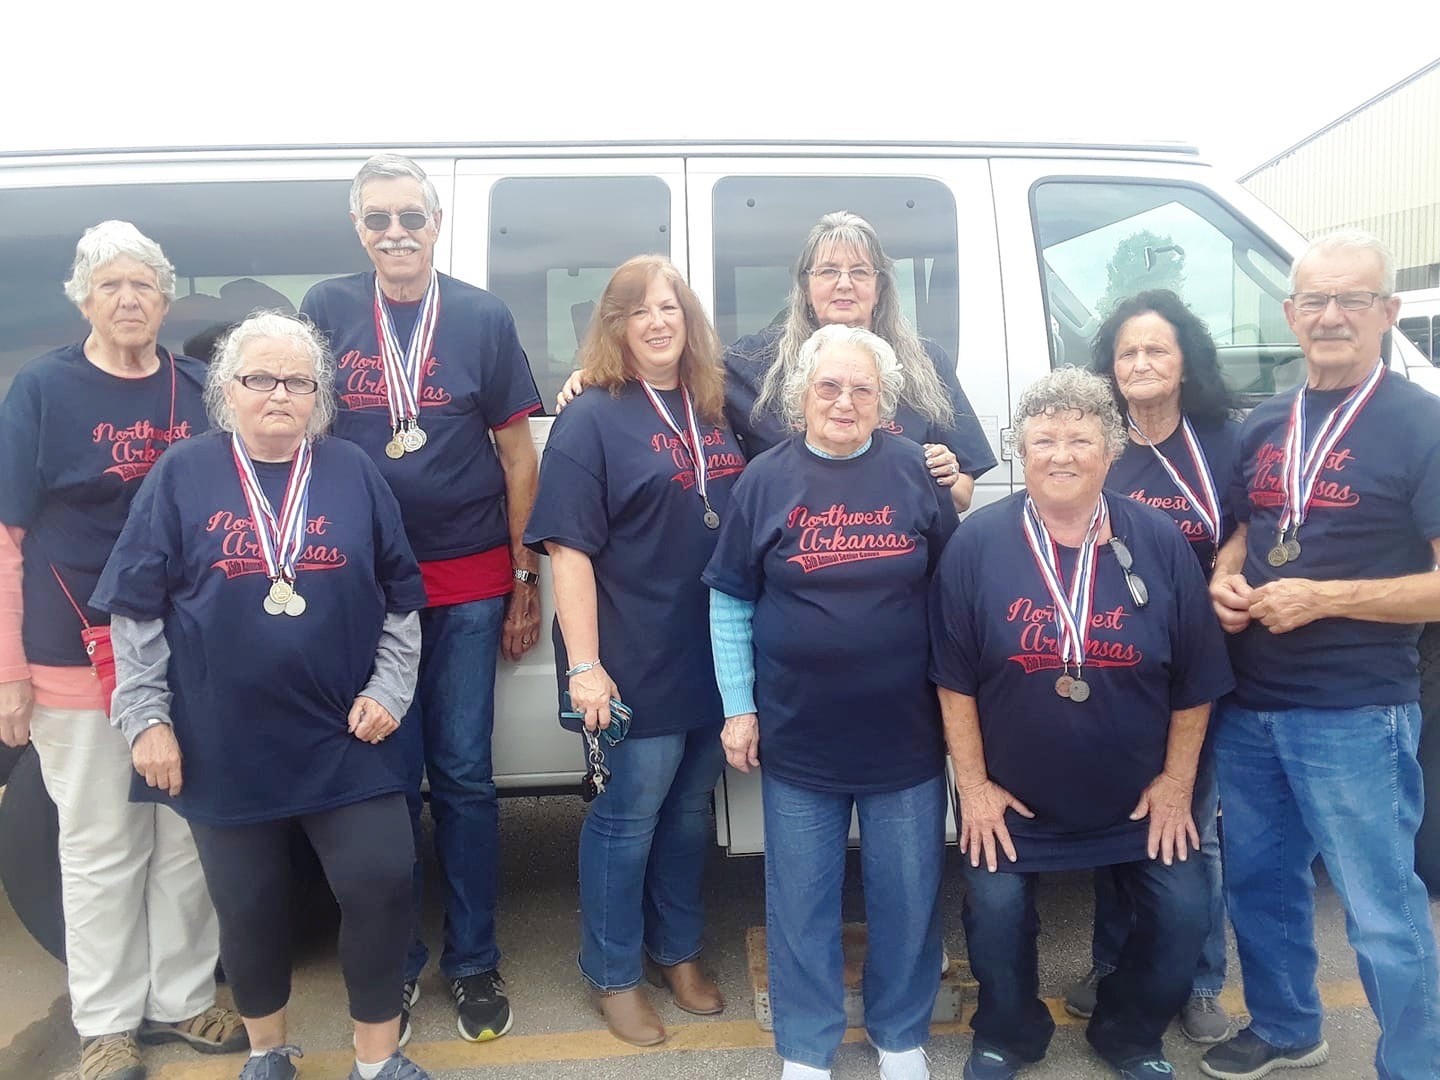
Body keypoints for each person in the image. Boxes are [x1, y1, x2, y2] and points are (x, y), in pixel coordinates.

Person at [91, 311, 431, 1080]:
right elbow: (135, 608)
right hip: (223, 738)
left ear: (318, 394)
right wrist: (146, 718)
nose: (280, 394)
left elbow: (401, 598)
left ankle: (378, 1059)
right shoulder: (182, 473)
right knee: (248, 907)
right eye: (260, 379)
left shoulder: (352, 470)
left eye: (298, 381)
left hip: (346, 733)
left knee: (381, 881)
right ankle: (268, 1051)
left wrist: (390, 688)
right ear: (227, 390)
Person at [929, 367, 1234, 1080]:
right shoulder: (976, 546)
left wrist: (1176, 785)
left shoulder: (1158, 541)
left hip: (1138, 796)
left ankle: (1130, 1033)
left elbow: (1196, 680)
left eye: (1080, 439)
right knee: (995, 913)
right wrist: (974, 789)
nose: (1061, 455)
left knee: (1184, 911)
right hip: (1013, 800)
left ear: (1111, 451)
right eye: (1044, 440)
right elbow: (953, 681)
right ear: (1021, 451)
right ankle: (1008, 1033)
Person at [300, 153, 543, 1045]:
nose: (396, 233)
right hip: (366, 593)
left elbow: (519, 457)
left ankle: (473, 961)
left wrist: (524, 579)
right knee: (387, 784)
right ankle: (396, 962)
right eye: (378, 219)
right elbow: (303, 442)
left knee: (467, 779)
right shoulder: (327, 309)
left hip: (471, 583)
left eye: (411, 216)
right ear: (357, 228)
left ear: (436, 224)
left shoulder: (480, 316)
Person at [0, 221, 244, 1080]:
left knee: (184, 839)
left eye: (143, 285)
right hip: (72, 652)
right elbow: (6, 536)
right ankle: (106, 1022)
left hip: (186, 652)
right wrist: (8, 671)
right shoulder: (42, 391)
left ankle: (180, 999)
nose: (129, 300)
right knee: (102, 843)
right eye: (110, 286)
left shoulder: (199, 389)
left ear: (166, 300)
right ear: (84, 300)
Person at [1204, 230, 1440, 1080]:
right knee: (1262, 886)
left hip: (1355, 709)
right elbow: (1248, 526)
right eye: (1315, 300)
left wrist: (1326, 597)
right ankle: (1286, 1028)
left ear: (1388, 311)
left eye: (1352, 299)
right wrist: (1225, 577)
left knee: (1380, 911)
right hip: (1252, 702)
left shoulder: (1423, 424)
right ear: (1290, 312)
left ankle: (1415, 1064)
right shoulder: (1267, 421)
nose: (1332, 315)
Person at [703, 324, 957, 1080]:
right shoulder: (765, 480)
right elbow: (730, 601)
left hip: (905, 732)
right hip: (799, 731)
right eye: (829, 386)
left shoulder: (914, 470)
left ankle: (900, 1035)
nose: (844, 401)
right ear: (801, 394)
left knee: (907, 894)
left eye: (862, 389)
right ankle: (807, 1048)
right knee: (801, 900)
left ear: (885, 403)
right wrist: (739, 707)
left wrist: (959, 711)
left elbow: (952, 593)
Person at [523, 256, 744, 1046]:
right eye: (638, 311)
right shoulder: (591, 417)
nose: (657, 322)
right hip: (630, 657)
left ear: (689, 320)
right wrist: (585, 668)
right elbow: (568, 549)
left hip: (712, 654)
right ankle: (612, 972)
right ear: (614, 327)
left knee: (687, 814)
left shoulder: (715, 406)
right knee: (627, 818)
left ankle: (675, 950)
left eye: (669, 308)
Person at [1062, 290, 1242, 1043]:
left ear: (1184, 361)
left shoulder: (1224, 441)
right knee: (1119, 816)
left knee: (1194, 825)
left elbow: (1250, 525)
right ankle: (1113, 964)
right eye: (1126, 352)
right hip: (1119, 668)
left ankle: (1199, 982)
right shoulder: (1101, 446)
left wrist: (1227, 568)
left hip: (1203, 666)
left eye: (1156, 350)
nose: (1139, 363)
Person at [560, 211, 996, 508]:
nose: (844, 284)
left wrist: (945, 475)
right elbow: (672, 371)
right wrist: (602, 372)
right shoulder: (753, 362)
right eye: (828, 271)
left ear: (880, 287)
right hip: (795, 565)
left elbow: (962, 494)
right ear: (805, 287)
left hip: (896, 565)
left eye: (860, 272)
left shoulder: (927, 363)